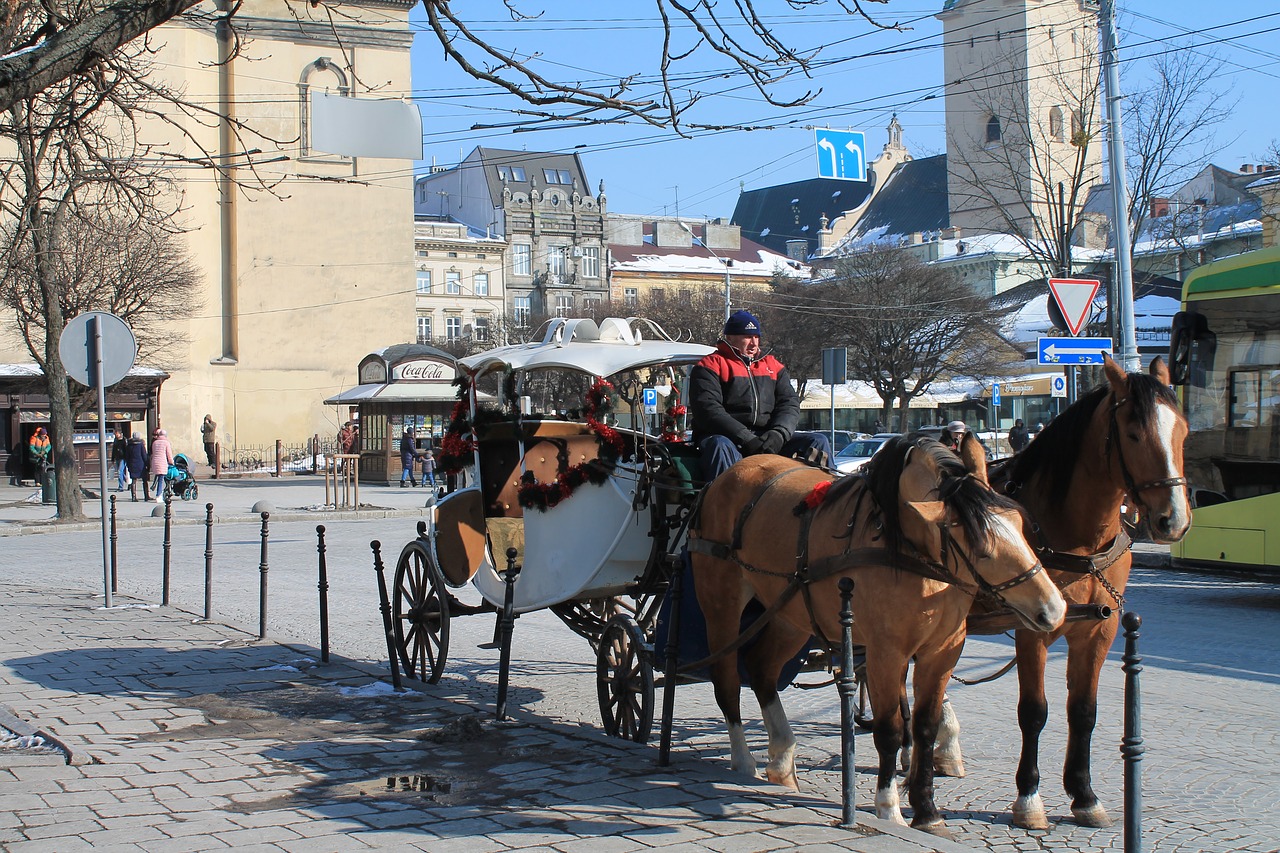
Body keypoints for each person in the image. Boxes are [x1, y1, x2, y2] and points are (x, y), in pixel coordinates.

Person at [689, 309, 831, 482]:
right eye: (747, 337)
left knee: (818, 441)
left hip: (768, 438)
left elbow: (789, 403)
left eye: (756, 337)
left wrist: (779, 434)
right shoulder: (710, 365)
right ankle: (724, 505)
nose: (753, 344)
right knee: (719, 445)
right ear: (730, 338)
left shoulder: (773, 366)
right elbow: (709, 410)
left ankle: (825, 501)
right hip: (729, 439)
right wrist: (746, 438)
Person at [149, 428, 175, 503]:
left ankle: (155, 488)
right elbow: (169, 454)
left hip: (155, 461)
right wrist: (171, 462)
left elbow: (153, 453)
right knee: (161, 479)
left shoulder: (155, 442)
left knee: (158, 477)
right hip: (162, 462)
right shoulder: (166, 443)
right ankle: (159, 495)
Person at [124, 432, 149, 502]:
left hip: (132, 464)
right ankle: (146, 496)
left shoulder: (129, 445)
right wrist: (147, 463)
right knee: (144, 480)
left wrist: (128, 464)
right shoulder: (140, 445)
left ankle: (134, 496)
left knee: (134, 481)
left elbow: (127, 456)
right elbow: (144, 455)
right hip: (141, 464)